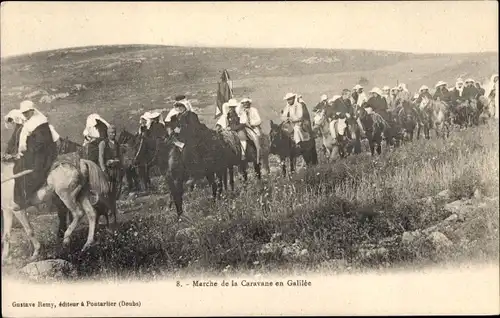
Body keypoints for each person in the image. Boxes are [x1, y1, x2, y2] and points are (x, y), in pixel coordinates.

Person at [12, 101, 58, 210]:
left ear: (32, 111)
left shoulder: (38, 123)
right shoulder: (36, 122)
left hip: (41, 154)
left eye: (27, 112)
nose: (25, 115)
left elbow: (41, 142)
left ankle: (25, 198)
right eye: (23, 113)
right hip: (39, 152)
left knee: (23, 169)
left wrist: (26, 151)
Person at [98, 125, 122, 198]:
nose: (113, 134)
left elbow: (120, 155)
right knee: (108, 187)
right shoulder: (103, 143)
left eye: (114, 132)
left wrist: (119, 162)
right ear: (108, 133)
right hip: (108, 169)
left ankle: (116, 202)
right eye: (111, 133)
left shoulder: (117, 143)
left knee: (117, 186)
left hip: (116, 168)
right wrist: (103, 169)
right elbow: (101, 157)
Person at [238, 98, 262, 164]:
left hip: (252, 128)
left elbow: (259, 120)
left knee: (257, 143)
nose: (245, 104)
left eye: (247, 103)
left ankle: (258, 159)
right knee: (240, 139)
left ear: (249, 103)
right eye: (244, 103)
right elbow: (240, 119)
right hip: (243, 128)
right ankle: (242, 155)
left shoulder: (254, 110)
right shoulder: (241, 111)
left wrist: (252, 123)